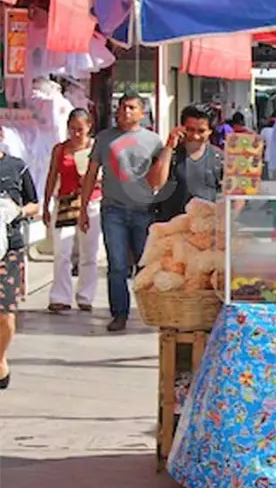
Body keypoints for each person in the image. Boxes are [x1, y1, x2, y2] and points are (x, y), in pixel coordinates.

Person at [79, 93, 164, 332]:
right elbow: (91, 174)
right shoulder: (105, 139)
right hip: (113, 210)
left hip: (144, 210)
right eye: (122, 107)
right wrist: (83, 209)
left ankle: (151, 311)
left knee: (145, 264)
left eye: (132, 108)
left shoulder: (153, 141)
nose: (126, 112)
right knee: (117, 265)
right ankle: (119, 313)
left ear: (142, 113)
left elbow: (161, 176)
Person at [43, 109, 101, 313]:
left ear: (89, 127)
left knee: (89, 253)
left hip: (91, 203)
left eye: (80, 130)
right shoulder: (60, 149)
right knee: (62, 251)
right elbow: (52, 175)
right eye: (72, 129)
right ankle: (60, 296)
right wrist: (46, 203)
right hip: (66, 203)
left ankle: (85, 296)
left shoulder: (96, 148)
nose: (76, 134)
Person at [0, 127, 41, 389]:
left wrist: (17, 211)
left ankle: (0, 357)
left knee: (6, 315)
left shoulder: (16, 167)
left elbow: (34, 204)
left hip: (9, 249)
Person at [148, 104, 225, 222]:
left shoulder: (219, 158)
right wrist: (169, 147)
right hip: (171, 227)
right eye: (190, 129)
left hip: (205, 228)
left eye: (201, 131)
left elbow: (233, 194)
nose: (195, 135)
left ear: (210, 131)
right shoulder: (168, 155)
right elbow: (155, 183)